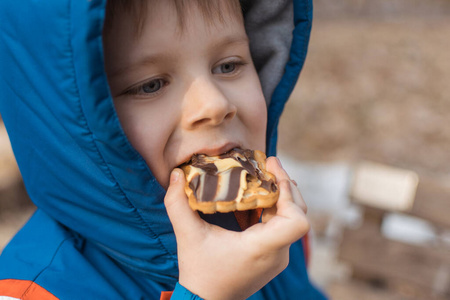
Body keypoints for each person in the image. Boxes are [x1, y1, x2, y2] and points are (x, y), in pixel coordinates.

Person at [0, 0, 327, 299]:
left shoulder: (269, 226)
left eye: (228, 66)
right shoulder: (34, 290)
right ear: (67, 124)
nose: (214, 105)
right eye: (150, 85)